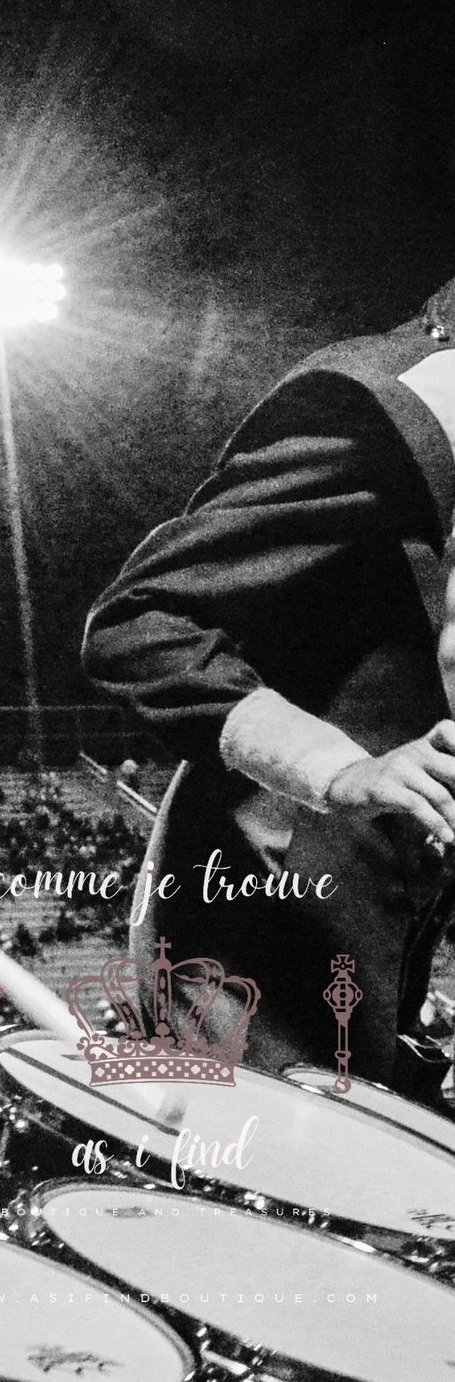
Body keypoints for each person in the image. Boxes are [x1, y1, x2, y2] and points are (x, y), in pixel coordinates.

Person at [85, 278, 455, 1098]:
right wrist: (335, 765)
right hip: (258, 953)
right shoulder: (397, 404)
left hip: (372, 948)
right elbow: (142, 621)